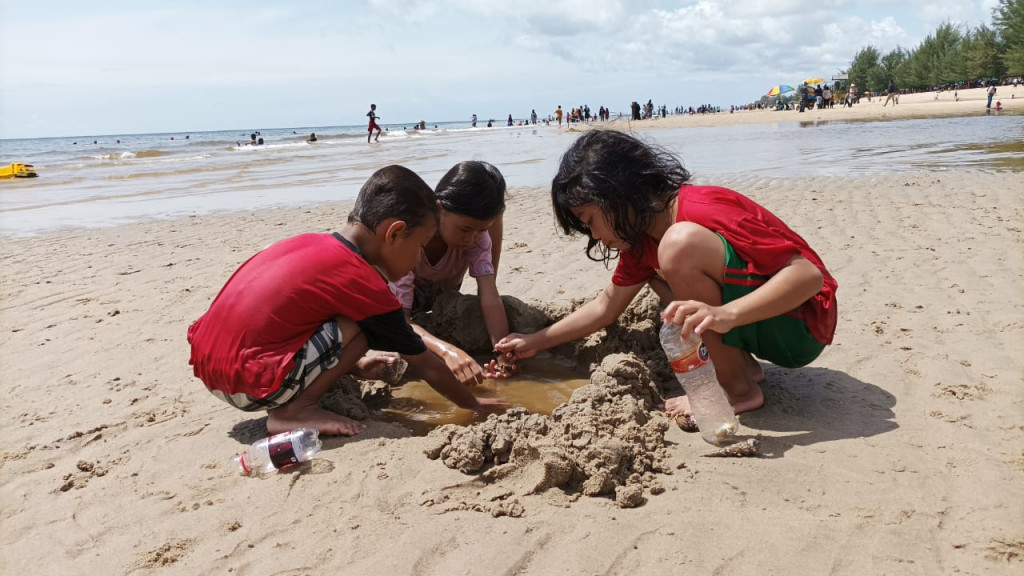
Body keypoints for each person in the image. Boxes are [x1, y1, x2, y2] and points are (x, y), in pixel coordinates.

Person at [495, 131, 838, 419]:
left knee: (678, 248)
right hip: (763, 324)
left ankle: (736, 391)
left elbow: (809, 276)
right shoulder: (641, 243)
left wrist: (722, 315)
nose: (595, 236)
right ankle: (744, 369)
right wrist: (534, 342)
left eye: (590, 221)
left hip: (801, 323)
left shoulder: (698, 208)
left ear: (618, 194)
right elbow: (606, 307)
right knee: (662, 276)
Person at [187, 165, 507, 436]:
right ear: (394, 234)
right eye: (419, 246)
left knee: (355, 317)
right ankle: (296, 410)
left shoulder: (312, 244)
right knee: (371, 323)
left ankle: (307, 391)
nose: (416, 259)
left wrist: (353, 364)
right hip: (246, 388)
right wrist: (474, 404)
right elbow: (423, 362)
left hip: (210, 369)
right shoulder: (363, 280)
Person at [389, 161, 513, 385]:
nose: (472, 238)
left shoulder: (476, 238)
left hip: (438, 298)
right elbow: (401, 322)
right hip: (394, 305)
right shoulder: (410, 241)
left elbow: (489, 295)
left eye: (481, 230)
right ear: (439, 209)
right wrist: (448, 352)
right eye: (465, 229)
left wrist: (502, 351)